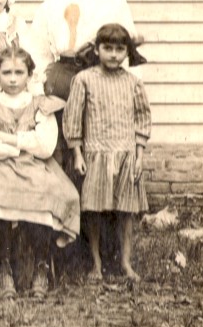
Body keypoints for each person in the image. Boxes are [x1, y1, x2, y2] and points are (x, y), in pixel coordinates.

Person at [0, 47, 80, 300]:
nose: (12, 79)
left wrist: (9, 138)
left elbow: (44, 145)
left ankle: (41, 267)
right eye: (6, 73)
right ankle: (4, 267)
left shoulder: (40, 105)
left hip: (34, 164)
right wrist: (19, 143)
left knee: (47, 193)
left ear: (29, 75)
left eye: (18, 72)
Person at [64, 24, 152, 282]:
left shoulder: (133, 83)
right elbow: (73, 118)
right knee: (94, 210)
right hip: (95, 154)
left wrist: (139, 156)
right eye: (108, 48)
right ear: (98, 50)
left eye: (119, 49)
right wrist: (77, 154)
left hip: (125, 155)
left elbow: (142, 119)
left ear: (127, 52)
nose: (113, 54)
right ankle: (95, 263)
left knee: (126, 211)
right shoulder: (85, 79)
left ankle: (125, 262)